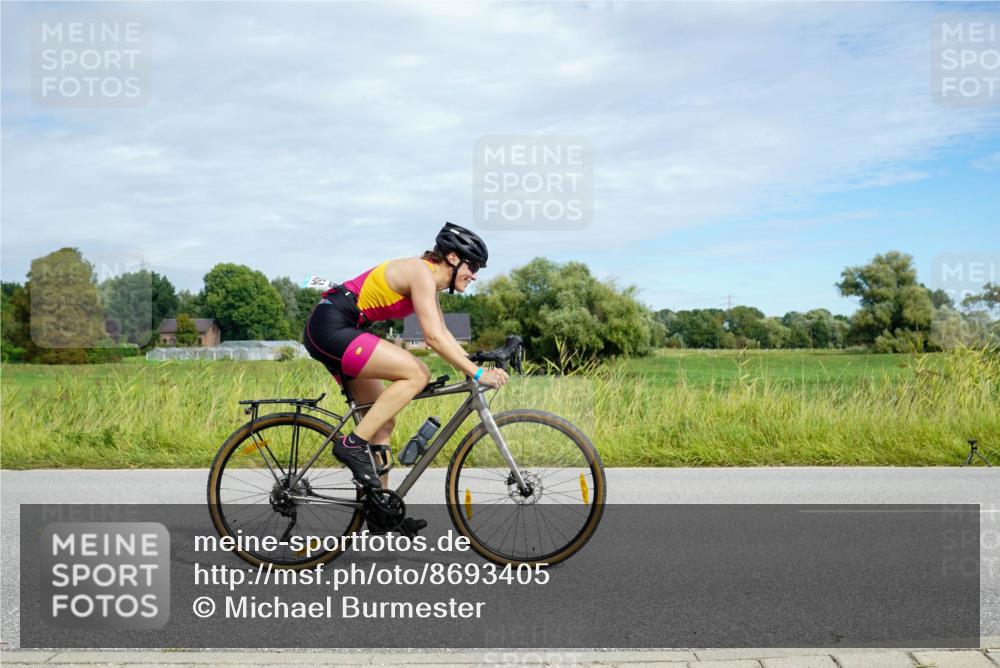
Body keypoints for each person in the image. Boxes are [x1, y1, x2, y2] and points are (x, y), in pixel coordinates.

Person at [302, 223, 509, 533]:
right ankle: (352, 444)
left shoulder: (429, 282)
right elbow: (433, 339)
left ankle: (380, 510)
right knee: (417, 373)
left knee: (382, 423)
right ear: (453, 258)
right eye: (474, 265)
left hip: (345, 327)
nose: (476, 274)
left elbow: (442, 333)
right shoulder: (421, 273)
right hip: (332, 325)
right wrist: (478, 374)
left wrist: (473, 362)